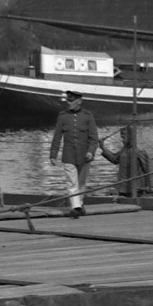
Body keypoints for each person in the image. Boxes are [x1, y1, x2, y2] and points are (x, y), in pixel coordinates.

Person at [49, 90, 99, 219]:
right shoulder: (63, 116)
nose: (69, 103)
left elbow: (94, 138)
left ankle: (79, 204)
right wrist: (53, 154)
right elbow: (57, 137)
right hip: (69, 154)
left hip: (85, 155)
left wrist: (91, 152)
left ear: (79, 101)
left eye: (71, 101)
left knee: (81, 182)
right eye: (68, 100)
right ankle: (76, 207)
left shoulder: (87, 116)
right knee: (72, 182)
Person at [101, 123, 153, 198]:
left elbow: (148, 169)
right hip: (123, 188)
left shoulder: (139, 150)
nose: (122, 140)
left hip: (136, 188)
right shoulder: (124, 149)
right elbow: (115, 159)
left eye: (124, 137)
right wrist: (103, 148)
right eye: (121, 138)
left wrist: (149, 186)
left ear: (130, 137)